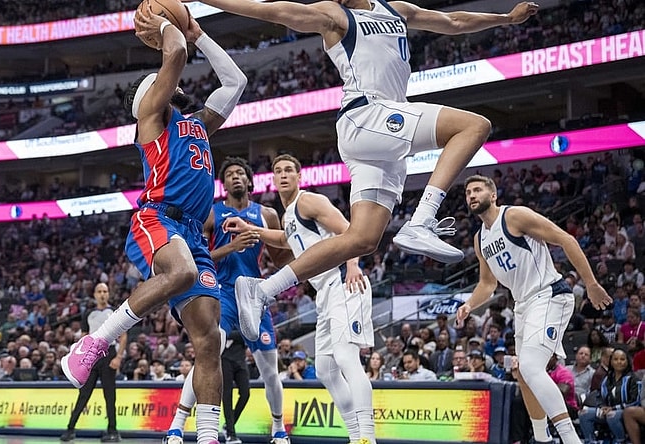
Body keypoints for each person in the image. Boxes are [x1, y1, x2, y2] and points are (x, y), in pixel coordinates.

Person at [202, 0, 541, 342]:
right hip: (366, 115)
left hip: (379, 136)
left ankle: (261, 291)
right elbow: (273, 11)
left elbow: (452, 20)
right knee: (473, 126)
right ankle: (422, 220)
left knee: (361, 239)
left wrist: (505, 19)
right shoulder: (335, 15)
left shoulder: (397, 10)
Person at [60, 9, 247, 444]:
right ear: (153, 93)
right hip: (157, 218)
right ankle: (94, 344)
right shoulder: (149, 118)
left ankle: (205, 435)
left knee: (209, 338)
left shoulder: (197, 125)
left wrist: (198, 33)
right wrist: (165, 26)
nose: (173, 81)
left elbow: (236, 83)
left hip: (193, 236)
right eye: (163, 79)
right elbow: (176, 53)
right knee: (179, 272)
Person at [226, 154, 375, 443]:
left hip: (344, 280)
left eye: (288, 171)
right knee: (325, 370)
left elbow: (350, 232)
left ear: (299, 177)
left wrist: (353, 265)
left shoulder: (309, 201)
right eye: (277, 171)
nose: (282, 175)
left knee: (346, 358)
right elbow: (285, 240)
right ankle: (356, 435)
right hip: (325, 293)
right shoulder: (289, 214)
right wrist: (251, 229)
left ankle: (367, 437)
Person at [457, 175, 612, 444]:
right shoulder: (479, 239)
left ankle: (570, 439)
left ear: (493, 195)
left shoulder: (515, 216)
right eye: (468, 192)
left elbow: (566, 239)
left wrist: (591, 283)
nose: (471, 195)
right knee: (522, 374)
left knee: (529, 366)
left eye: (478, 190)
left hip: (549, 294)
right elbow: (487, 283)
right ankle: (542, 439)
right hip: (523, 305)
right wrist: (469, 304)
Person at [164, 157, 291, 444]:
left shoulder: (267, 214)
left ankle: (278, 428)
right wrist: (231, 247)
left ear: (249, 180)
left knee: (270, 369)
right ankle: (177, 425)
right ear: (224, 184)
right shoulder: (211, 214)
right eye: (230, 174)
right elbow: (195, 257)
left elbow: (282, 258)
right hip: (222, 292)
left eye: (240, 173)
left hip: (255, 294)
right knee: (209, 353)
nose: (235, 177)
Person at [61, 283, 126, 443]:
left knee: (110, 395)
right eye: (99, 291)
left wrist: (118, 357)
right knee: (83, 394)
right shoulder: (88, 313)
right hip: (91, 356)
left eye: (105, 291)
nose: (102, 294)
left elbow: (123, 337)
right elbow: (84, 338)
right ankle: (70, 429)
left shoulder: (115, 312)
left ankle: (113, 430)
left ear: (109, 294)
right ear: (95, 295)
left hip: (109, 354)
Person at [579, 348, 639, 443]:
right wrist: (602, 407)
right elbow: (598, 396)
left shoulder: (633, 378)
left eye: (622, 359)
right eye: (615, 359)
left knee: (611, 415)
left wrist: (613, 408)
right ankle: (590, 441)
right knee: (584, 413)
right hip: (607, 410)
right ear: (611, 361)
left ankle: (620, 440)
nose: (619, 362)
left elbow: (635, 401)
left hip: (623, 411)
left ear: (627, 361)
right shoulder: (607, 378)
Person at [221, 330, 251, 444]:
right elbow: (222, 332)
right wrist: (240, 335)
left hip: (241, 360)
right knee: (227, 395)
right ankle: (231, 434)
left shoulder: (244, 317)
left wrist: (238, 335)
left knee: (245, 394)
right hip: (225, 359)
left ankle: (228, 426)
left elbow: (249, 334)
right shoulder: (225, 314)